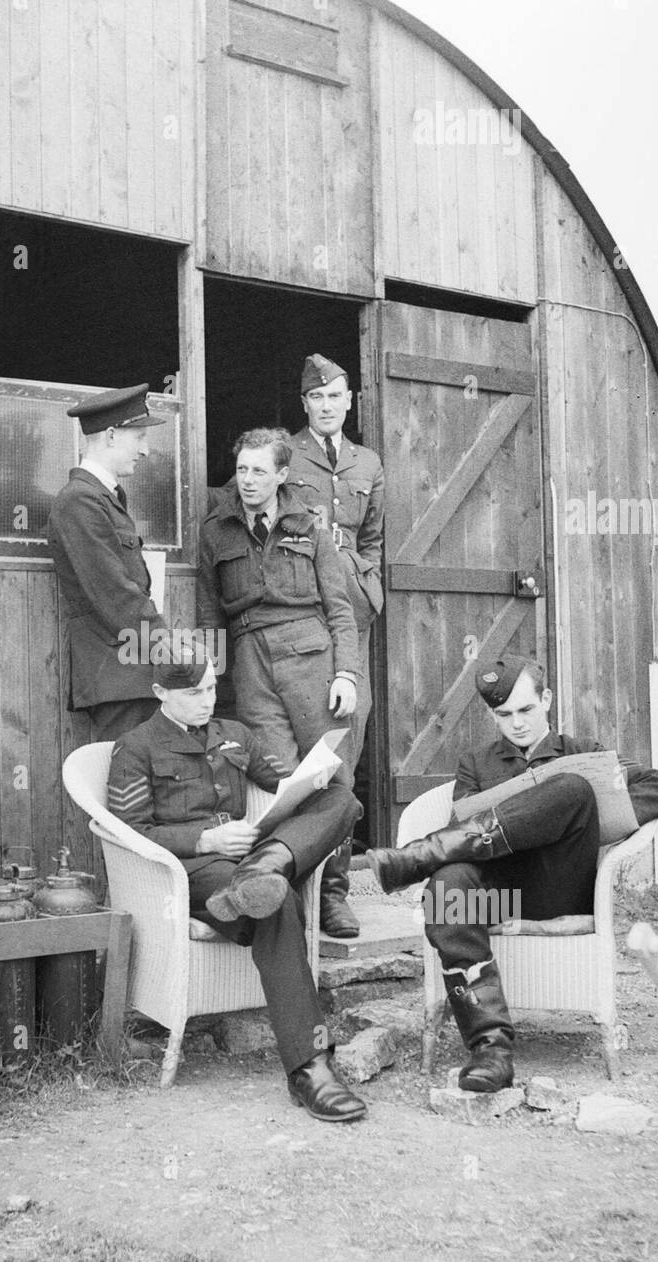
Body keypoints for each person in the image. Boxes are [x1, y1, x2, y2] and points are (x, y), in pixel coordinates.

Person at [365, 652, 658, 1093]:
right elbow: (467, 837)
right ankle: (490, 1050)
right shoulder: (476, 764)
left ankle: (417, 856)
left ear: (547, 699)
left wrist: (588, 809)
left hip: (559, 889)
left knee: (570, 787)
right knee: (446, 887)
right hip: (503, 895)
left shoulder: (584, 753)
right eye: (503, 714)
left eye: (526, 710)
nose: (516, 724)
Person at [106, 659, 366, 1121]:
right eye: (194, 694)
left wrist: (313, 778)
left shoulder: (234, 734)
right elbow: (130, 830)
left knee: (342, 798)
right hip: (196, 871)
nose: (207, 701)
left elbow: (283, 784)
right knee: (278, 899)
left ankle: (269, 866)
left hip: (254, 854)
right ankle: (310, 1066)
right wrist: (204, 839)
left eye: (211, 689)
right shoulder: (136, 748)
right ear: (160, 692)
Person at [198, 426, 363, 939]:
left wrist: (346, 673)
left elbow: (340, 608)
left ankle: (333, 895)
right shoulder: (216, 531)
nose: (247, 481)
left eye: (259, 471)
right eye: (242, 469)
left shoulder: (309, 525)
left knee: (330, 779)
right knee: (278, 782)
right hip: (251, 663)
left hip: (311, 657)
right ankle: (287, 889)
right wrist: (211, 677)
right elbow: (209, 616)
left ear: (282, 475)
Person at [286, 353, 386, 938]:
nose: (327, 407)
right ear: (305, 404)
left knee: (349, 742)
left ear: (350, 402)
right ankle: (302, 881)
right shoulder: (283, 455)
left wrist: (364, 576)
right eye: (317, 398)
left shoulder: (367, 462)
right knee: (311, 744)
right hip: (306, 610)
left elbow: (373, 534)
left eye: (336, 397)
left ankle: (336, 892)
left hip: (355, 610)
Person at [46, 382, 175, 741]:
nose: (146, 451)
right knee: (127, 788)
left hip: (131, 672)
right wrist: (171, 645)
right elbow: (115, 594)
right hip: (116, 677)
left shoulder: (105, 498)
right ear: (113, 435)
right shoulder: (80, 502)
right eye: (140, 438)